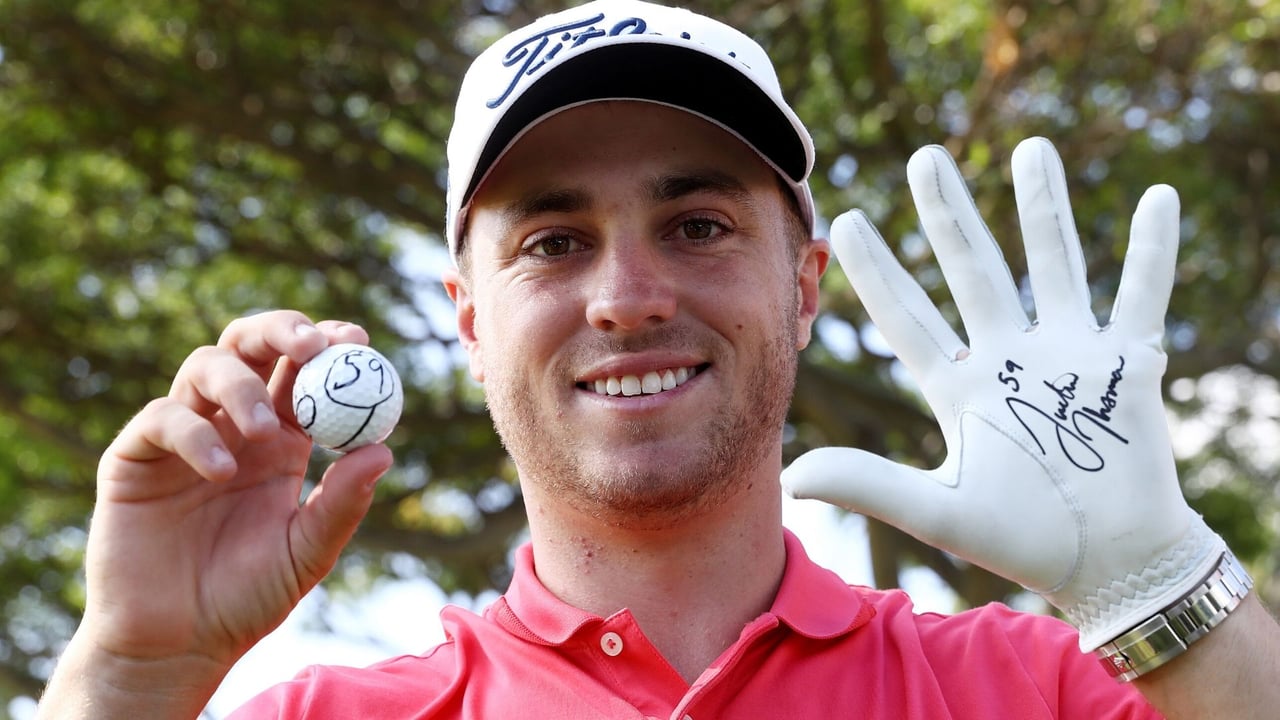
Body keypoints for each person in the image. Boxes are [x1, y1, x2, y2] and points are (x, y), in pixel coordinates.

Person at [35, 0, 1280, 717]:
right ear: (468, 321)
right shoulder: (331, 719)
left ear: (801, 289)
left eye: (696, 226)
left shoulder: (1047, 692)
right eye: (555, 240)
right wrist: (129, 673)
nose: (625, 299)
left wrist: (1166, 586)